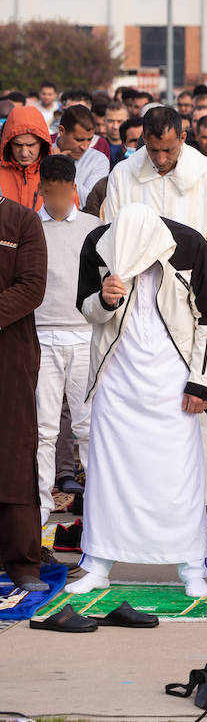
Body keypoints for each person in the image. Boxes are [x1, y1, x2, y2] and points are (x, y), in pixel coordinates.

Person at [68, 204, 207, 598]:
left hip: (173, 382)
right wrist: (104, 300)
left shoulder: (188, 245)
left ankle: (191, 567)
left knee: (179, 478)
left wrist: (199, 384)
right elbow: (86, 309)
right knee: (108, 477)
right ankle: (97, 563)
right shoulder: (99, 244)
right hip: (117, 382)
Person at [102, 106, 207, 524]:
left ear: (183, 137)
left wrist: (202, 299)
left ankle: (206, 506)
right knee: (144, 406)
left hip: (193, 307)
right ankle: (146, 507)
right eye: (153, 151)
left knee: (199, 403)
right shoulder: (124, 174)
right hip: (138, 308)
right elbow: (112, 238)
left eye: (168, 150)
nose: (160, 160)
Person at [33, 156, 98, 528]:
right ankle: (41, 505)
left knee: (88, 425)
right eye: (50, 194)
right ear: (41, 189)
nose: (57, 202)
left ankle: (96, 507)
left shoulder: (92, 227)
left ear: (74, 189)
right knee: (43, 428)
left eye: (64, 194)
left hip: (83, 335)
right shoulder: (29, 225)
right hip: (41, 335)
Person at [0, 180, 49, 592]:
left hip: (9, 357)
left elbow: (32, 287)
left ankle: (21, 560)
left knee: (14, 449)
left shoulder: (22, 221)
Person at [0, 106, 53, 210]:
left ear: (42, 143)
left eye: (31, 145)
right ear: (8, 143)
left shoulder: (57, 174)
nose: (24, 153)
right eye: (18, 145)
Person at [54, 105, 108, 206]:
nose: (84, 146)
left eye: (89, 140)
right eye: (79, 140)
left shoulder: (99, 160)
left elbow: (89, 203)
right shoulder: (44, 154)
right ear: (62, 131)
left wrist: (61, 167)